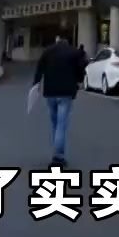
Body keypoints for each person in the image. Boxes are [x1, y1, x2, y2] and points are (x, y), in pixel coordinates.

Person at [32, 30, 89, 167]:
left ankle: (57, 153)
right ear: (68, 40)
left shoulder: (48, 51)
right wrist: (79, 80)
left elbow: (39, 69)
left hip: (50, 92)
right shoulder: (73, 52)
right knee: (61, 124)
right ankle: (58, 156)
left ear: (57, 38)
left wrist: (36, 84)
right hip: (66, 93)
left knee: (55, 123)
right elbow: (81, 69)